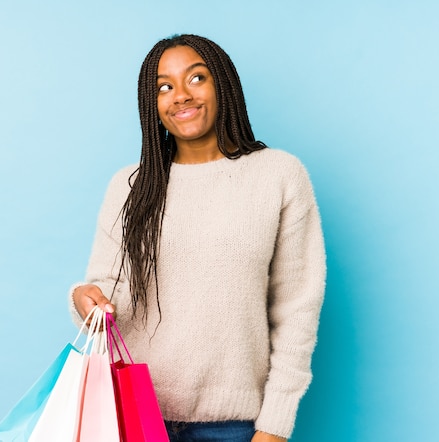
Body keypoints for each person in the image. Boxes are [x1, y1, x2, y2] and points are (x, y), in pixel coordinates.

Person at [70, 34, 326, 442]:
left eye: (196, 78)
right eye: (164, 87)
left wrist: (275, 424)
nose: (180, 96)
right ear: (151, 106)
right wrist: (86, 299)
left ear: (222, 85)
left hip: (234, 426)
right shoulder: (130, 185)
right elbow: (107, 288)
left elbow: (297, 310)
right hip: (131, 417)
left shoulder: (278, 176)